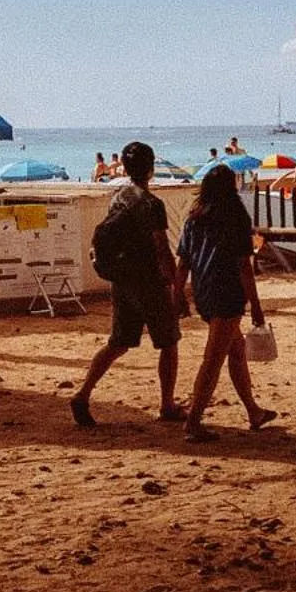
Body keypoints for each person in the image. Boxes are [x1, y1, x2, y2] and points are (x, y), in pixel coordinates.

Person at [70, 141, 185, 428]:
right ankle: (167, 404)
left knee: (118, 343)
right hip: (149, 281)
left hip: (122, 280)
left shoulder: (117, 196)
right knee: (169, 343)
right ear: (151, 168)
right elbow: (162, 249)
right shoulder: (152, 204)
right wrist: (176, 287)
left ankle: (83, 393)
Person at [176, 163, 276, 442]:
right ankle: (193, 421)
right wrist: (255, 304)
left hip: (203, 291)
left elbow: (183, 262)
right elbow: (244, 265)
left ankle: (254, 411)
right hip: (228, 292)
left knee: (236, 350)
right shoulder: (234, 217)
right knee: (213, 359)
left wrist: (179, 295)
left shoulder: (194, 219)